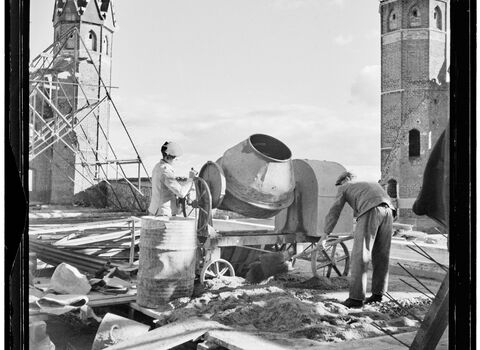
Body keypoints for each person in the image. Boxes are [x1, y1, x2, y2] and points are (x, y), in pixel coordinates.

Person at [323, 171, 396, 308]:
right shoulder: (367, 183)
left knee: (360, 254)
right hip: (389, 211)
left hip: (371, 210)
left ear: (343, 181)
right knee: (381, 255)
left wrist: (325, 233)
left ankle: (355, 299)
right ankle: (378, 295)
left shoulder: (345, 186)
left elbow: (335, 211)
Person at [148, 141, 194, 217]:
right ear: (168, 157)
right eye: (174, 158)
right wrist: (190, 179)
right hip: (163, 214)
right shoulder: (166, 171)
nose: (175, 160)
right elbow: (181, 193)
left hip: (154, 211)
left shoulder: (157, 167)